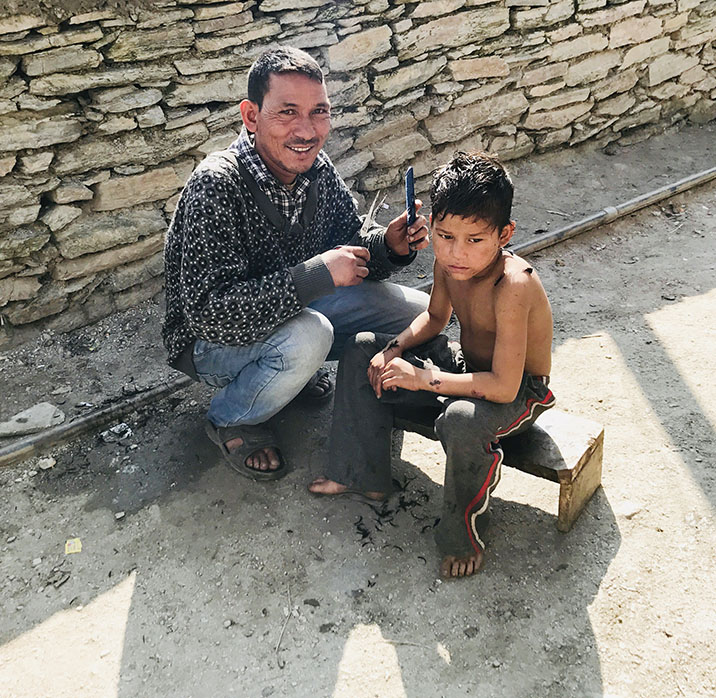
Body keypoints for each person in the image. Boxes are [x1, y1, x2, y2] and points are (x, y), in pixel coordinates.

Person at [162, 47, 430, 481]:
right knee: (309, 337)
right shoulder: (217, 185)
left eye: (318, 112)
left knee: (418, 314)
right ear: (251, 116)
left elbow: (351, 246)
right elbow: (210, 315)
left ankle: (294, 377)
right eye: (288, 112)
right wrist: (317, 275)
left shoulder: (315, 170)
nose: (306, 130)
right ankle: (231, 418)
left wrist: (389, 246)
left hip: (292, 313)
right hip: (207, 343)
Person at [309, 151, 556, 579]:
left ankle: (462, 538)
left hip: (520, 391)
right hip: (466, 365)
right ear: (433, 227)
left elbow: (502, 386)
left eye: (475, 240)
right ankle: (359, 474)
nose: (457, 252)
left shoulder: (513, 284)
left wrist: (424, 379)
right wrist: (394, 349)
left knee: (461, 419)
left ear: (504, 234)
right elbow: (435, 318)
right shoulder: (449, 263)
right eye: (445, 236)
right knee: (363, 347)